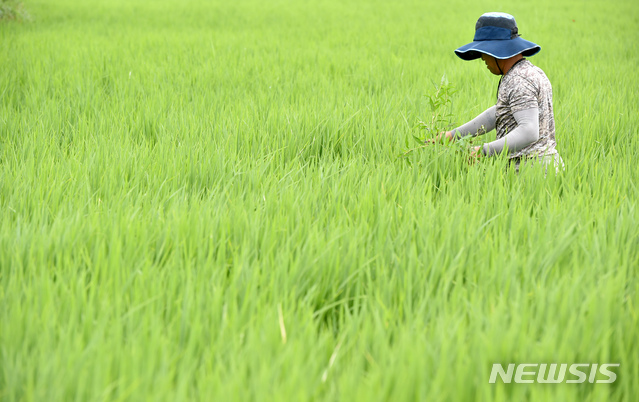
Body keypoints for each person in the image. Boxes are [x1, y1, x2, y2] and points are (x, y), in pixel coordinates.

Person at [433, 12, 564, 173]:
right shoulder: (528, 72)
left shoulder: (519, 80)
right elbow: (499, 113)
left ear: (496, 50)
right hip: (542, 168)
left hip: (529, 172)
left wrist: (483, 151)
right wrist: (454, 135)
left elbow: (529, 131)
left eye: (484, 53)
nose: (482, 58)